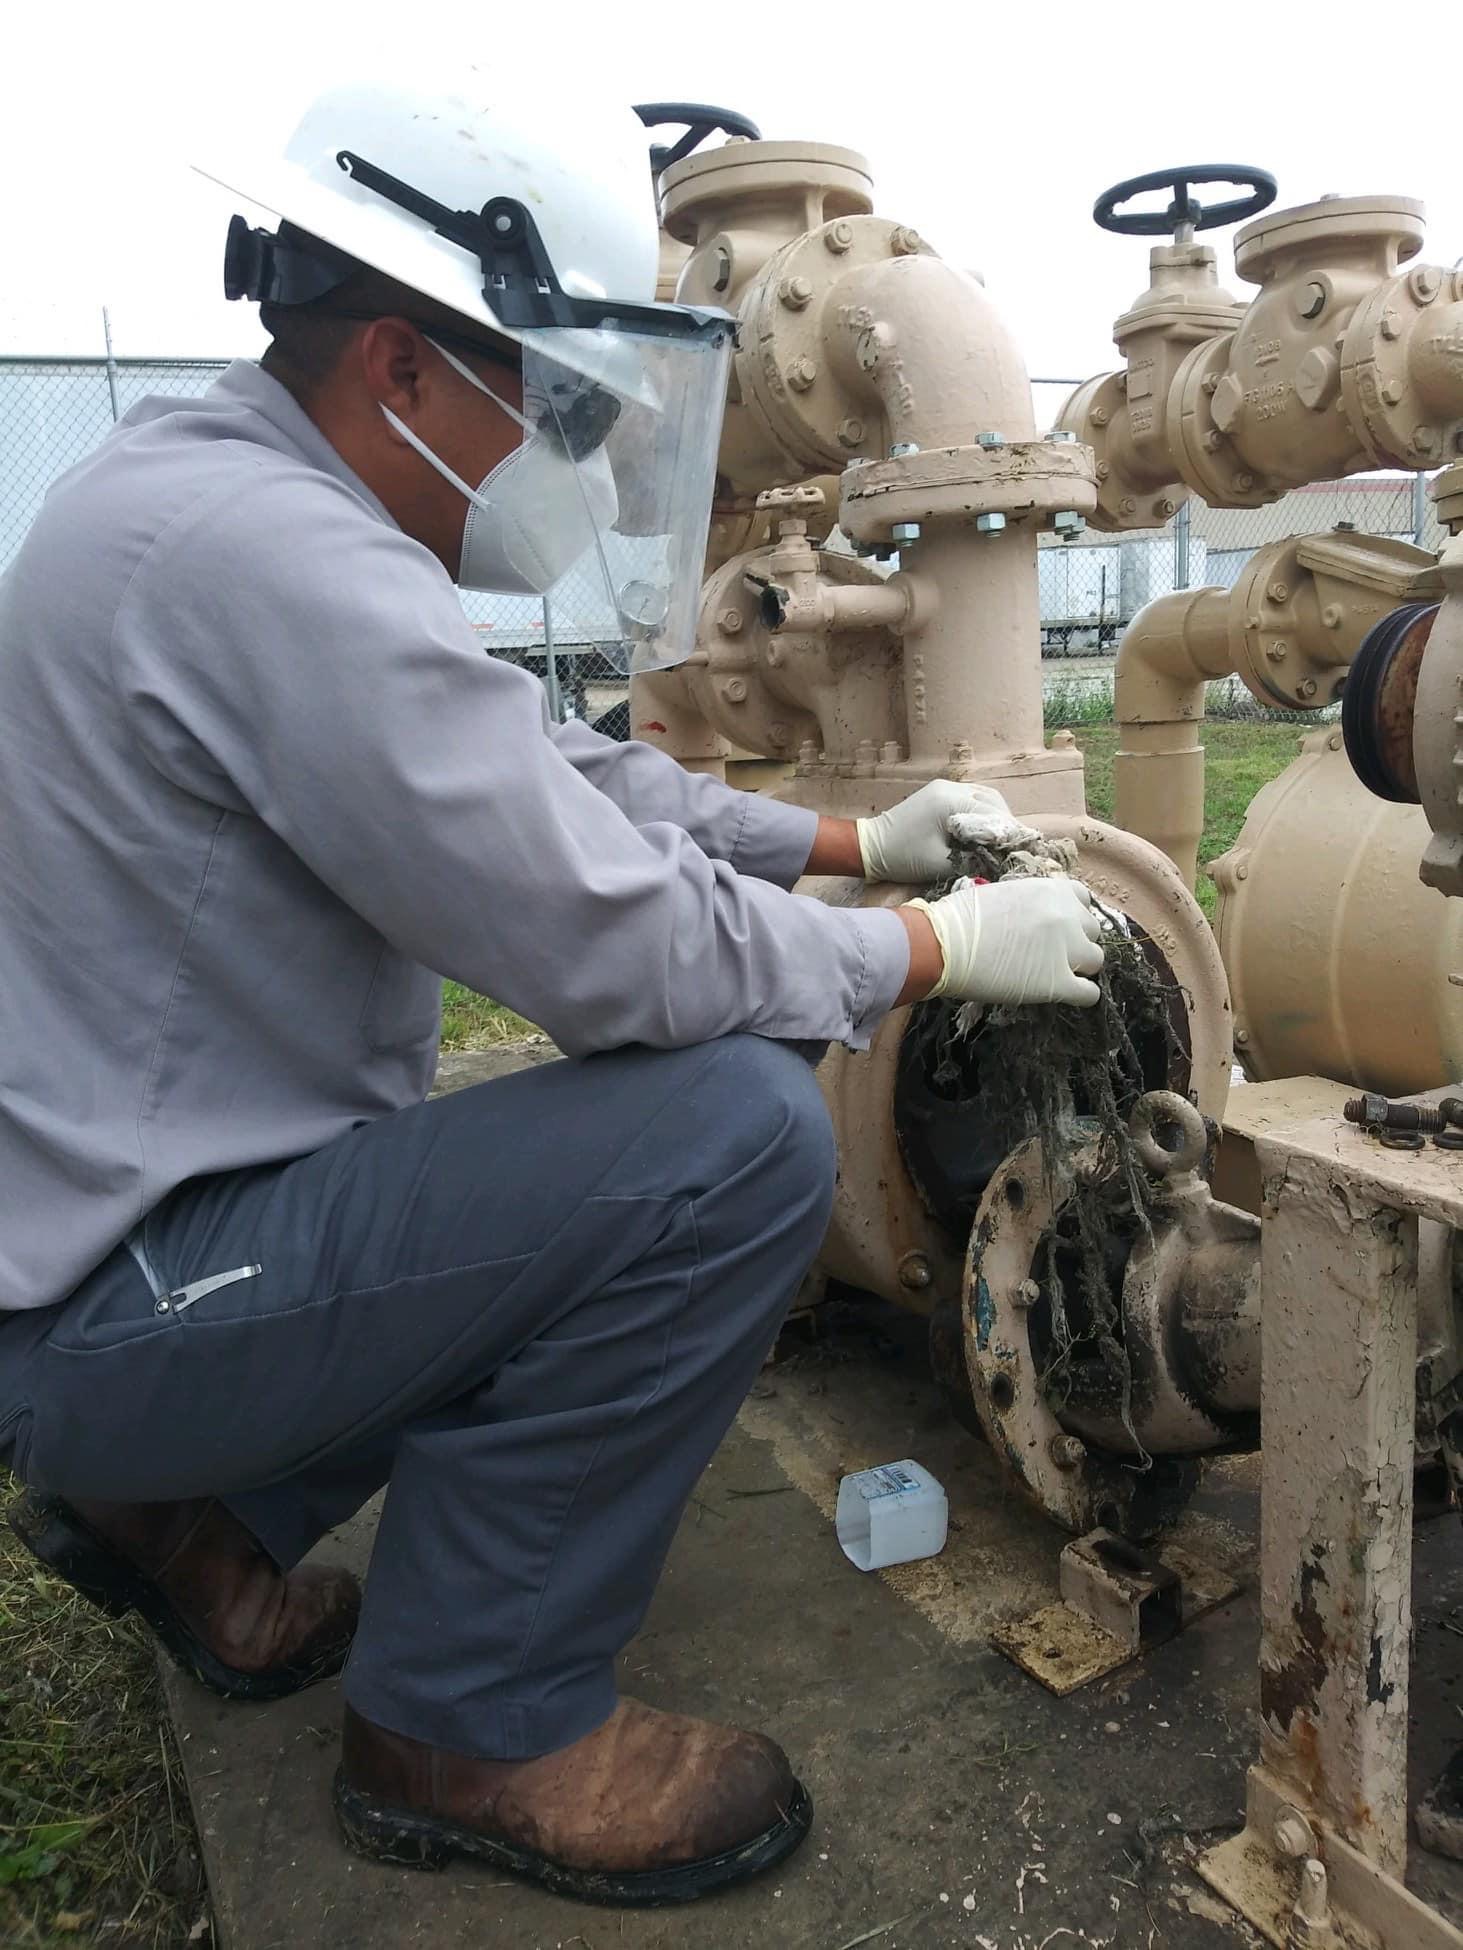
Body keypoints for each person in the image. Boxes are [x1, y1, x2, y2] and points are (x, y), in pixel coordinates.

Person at [0, 77, 1104, 1907]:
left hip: (112, 1252)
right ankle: (470, 1713)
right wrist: (928, 950)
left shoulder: (209, 495)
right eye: (558, 401)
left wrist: (856, 848)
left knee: (565, 1174)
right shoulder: (280, 562)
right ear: (405, 372)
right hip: (117, 1308)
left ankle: (179, 1519)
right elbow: (620, 951)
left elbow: (562, 776)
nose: (575, 461)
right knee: (732, 1136)